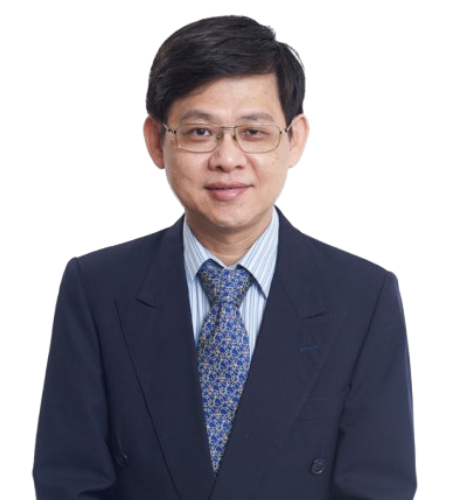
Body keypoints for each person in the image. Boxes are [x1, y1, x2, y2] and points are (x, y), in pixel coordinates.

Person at [32, 14, 417, 500]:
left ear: (296, 139)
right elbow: (69, 483)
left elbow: (379, 489)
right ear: (155, 141)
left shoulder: (363, 296)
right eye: (199, 132)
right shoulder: (95, 287)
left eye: (253, 132)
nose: (227, 159)